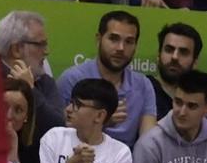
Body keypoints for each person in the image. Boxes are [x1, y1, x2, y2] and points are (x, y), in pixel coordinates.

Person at [59, 10, 156, 149]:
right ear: (99, 39)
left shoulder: (143, 85)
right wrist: (102, 122)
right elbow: (60, 137)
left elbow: (148, 141)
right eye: (114, 39)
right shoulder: (72, 79)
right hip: (79, 159)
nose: (121, 48)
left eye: (129, 42)